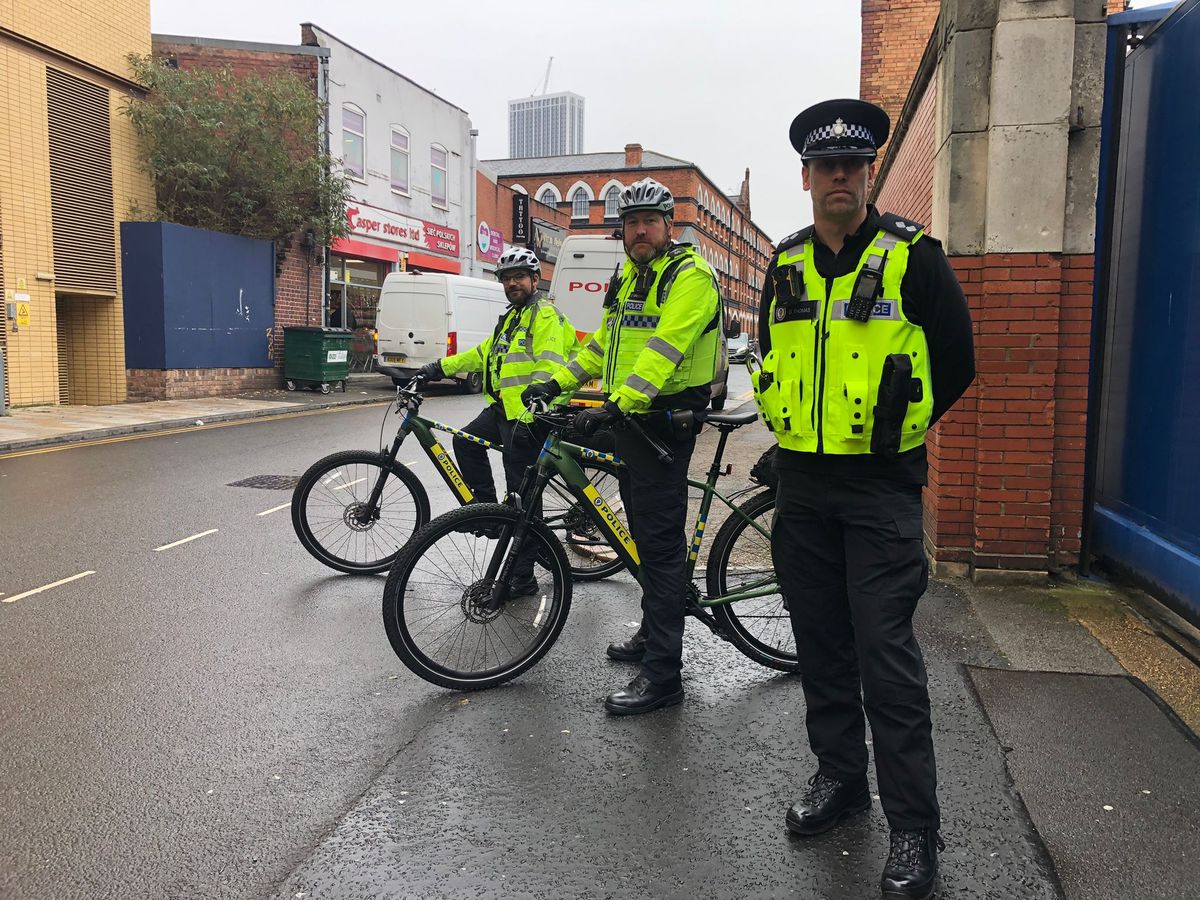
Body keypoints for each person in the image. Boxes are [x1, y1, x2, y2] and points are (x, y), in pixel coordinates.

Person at [754, 99, 975, 900]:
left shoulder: (914, 257)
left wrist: (898, 431)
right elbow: (772, 358)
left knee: (886, 660)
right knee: (821, 647)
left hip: (881, 490)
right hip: (804, 488)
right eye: (824, 166)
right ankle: (841, 780)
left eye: (851, 165)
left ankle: (916, 828)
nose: (837, 177)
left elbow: (956, 358)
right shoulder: (784, 264)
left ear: (869, 173)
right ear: (807, 177)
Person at [522, 177, 722, 716]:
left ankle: (664, 676)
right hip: (635, 421)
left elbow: (664, 350)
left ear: (667, 226)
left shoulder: (690, 276)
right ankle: (653, 634)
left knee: (657, 549)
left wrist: (617, 404)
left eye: (649, 222)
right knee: (641, 537)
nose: (639, 231)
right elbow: (599, 349)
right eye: (631, 223)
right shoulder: (629, 277)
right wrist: (556, 382)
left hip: (663, 423)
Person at [417, 246, 577, 596]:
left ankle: (523, 578)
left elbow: (549, 366)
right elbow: (481, 355)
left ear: (535, 279)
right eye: (506, 278)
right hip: (504, 409)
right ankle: (488, 513)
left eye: (519, 277)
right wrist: (436, 368)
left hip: (531, 416)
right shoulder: (512, 317)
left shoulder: (543, 315)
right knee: (465, 440)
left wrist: (531, 414)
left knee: (521, 501)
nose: (512, 283)